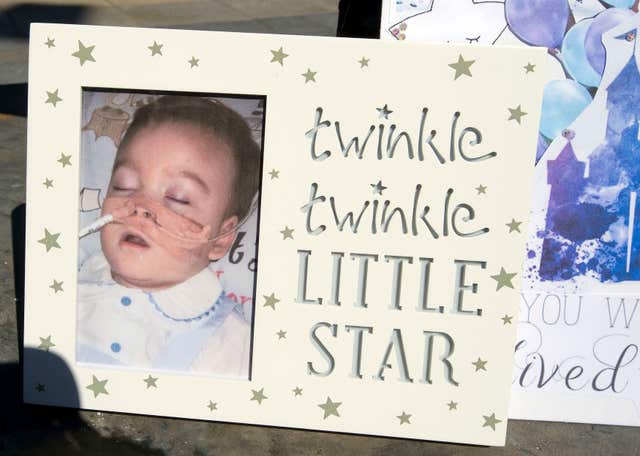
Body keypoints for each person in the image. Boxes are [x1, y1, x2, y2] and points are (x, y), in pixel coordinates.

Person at [76, 95, 261, 378]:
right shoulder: (68, 286)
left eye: (178, 198)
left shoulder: (229, 347)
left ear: (222, 238)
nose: (140, 206)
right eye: (123, 186)